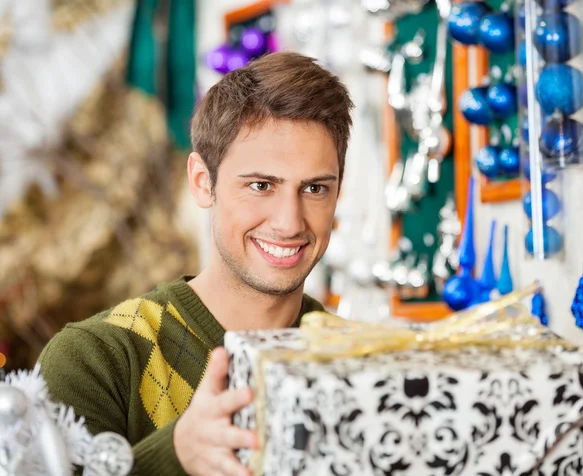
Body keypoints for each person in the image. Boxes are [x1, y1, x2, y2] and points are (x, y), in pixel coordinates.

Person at [38, 52, 354, 475]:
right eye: (261, 186)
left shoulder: (356, 359)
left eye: (314, 188)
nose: (289, 221)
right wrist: (175, 456)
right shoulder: (96, 360)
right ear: (204, 183)